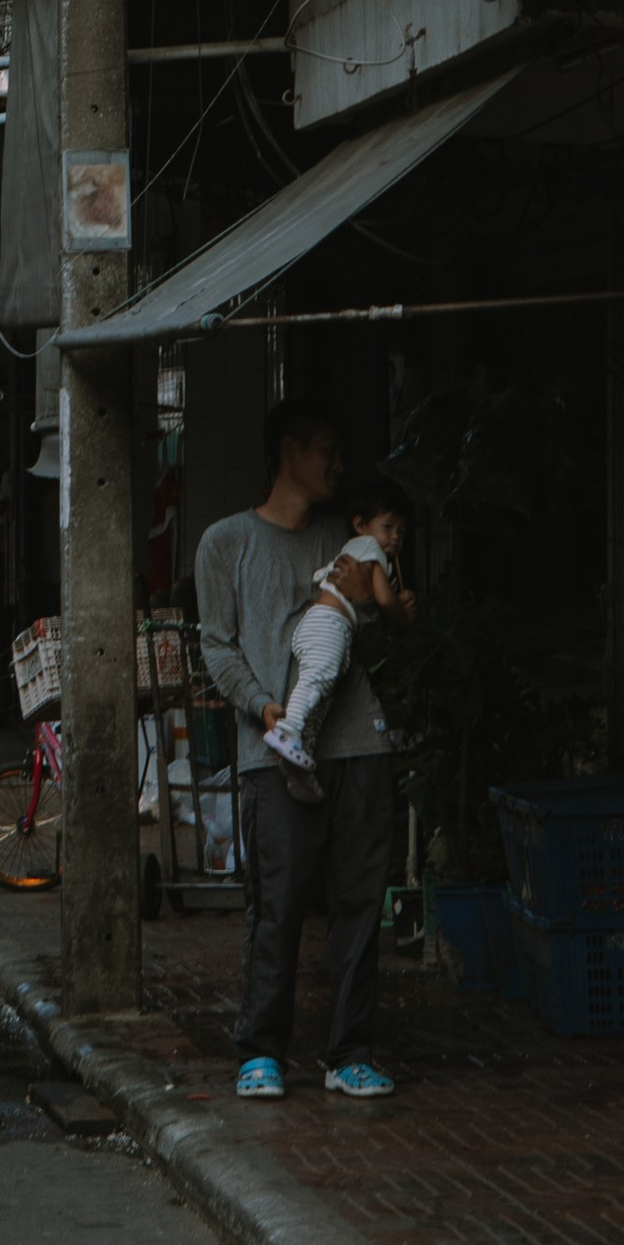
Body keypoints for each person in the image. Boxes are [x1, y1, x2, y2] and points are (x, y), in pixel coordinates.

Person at [194, 400, 402, 1105]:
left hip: (357, 743)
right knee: (276, 903)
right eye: (326, 451)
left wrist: (376, 605)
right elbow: (216, 646)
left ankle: (349, 1053)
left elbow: (372, 645)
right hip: (273, 752)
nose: (337, 467)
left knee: (360, 900)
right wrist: (263, 706)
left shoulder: (347, 544)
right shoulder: (225, 542)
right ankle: (260, 1051)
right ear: (288, 451)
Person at [264, 477, 414, 801]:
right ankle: (288, 732)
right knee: (318, 679)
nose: (395, 537)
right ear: (361, 525)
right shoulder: (370, 549)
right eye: (388, 526)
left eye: (401, 531)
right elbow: (385, 602)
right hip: (329, 624)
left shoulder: (356, 549)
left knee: (323, 694)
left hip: (328, 627)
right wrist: (403, 614)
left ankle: (299, 760)